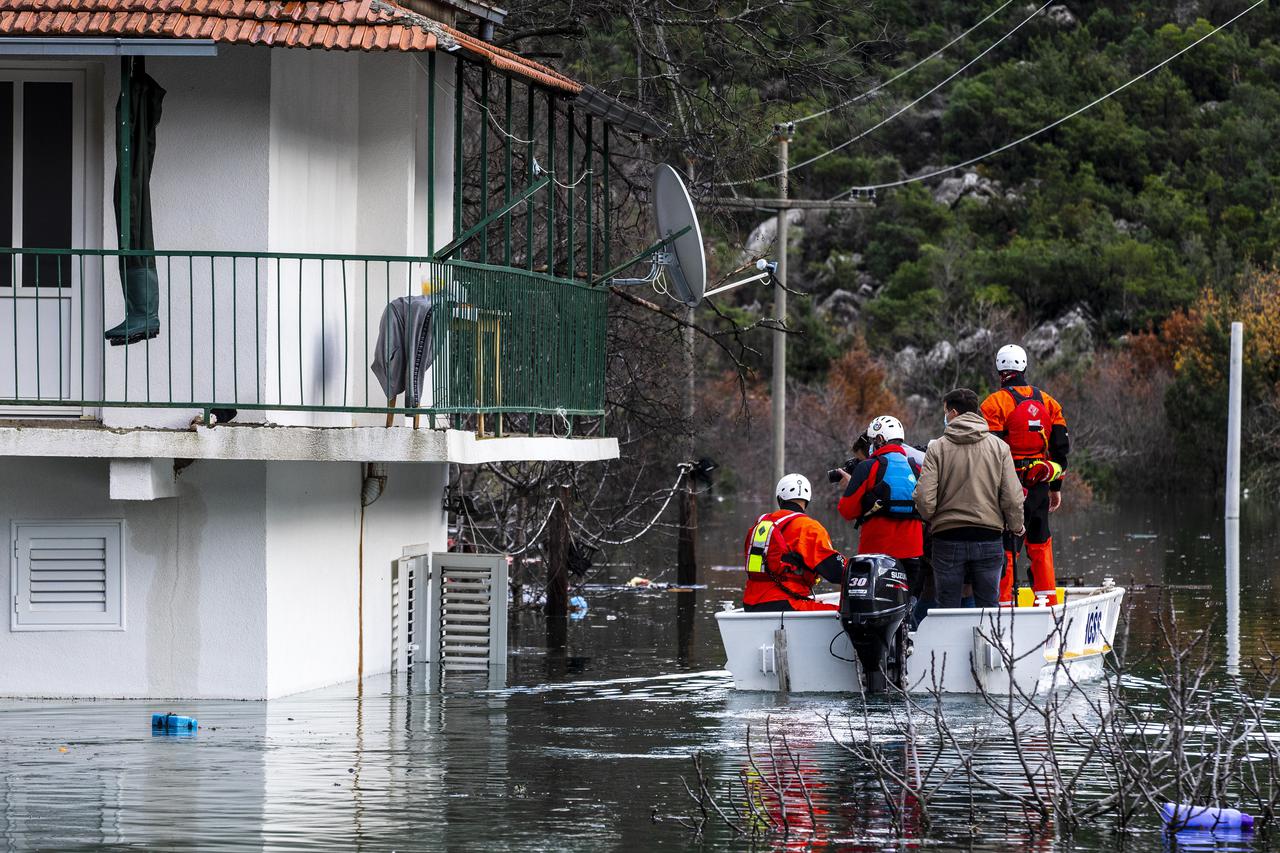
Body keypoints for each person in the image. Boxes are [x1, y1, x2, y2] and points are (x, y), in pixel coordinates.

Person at [914, 388, 1025, 608]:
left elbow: (924, 500)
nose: (945, 417)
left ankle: (947, 643)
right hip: (989, 537)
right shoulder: (1000, 448)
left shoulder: (937, 448)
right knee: (988, 608)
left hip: (947, 538)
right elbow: (1012, 497)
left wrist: (932, 518)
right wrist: (1016, 526)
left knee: (947, 608)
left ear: (953, 413)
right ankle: (988, 643)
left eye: (945, 412)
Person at [980, 344, 1070, 604]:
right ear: (1024, 367)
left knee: (1007, 545)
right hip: (1041, 484)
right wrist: (1055, 487)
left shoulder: (994, 403)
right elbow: (1061, 448)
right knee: (1041, 543)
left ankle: (1003, 605)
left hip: (1009, 486)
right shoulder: (1049, 402)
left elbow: (990, 449)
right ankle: (1048, 605)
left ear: (1000, 369)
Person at [835, 416, 925, 602]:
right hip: (913, 553)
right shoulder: (916, 467)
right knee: (906, 607)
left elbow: (846, 510)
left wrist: (852, 488)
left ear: (880, 440)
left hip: (875, 553)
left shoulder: (868, 467)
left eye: (871, 440)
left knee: (876, 606)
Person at [743, 474, 846, 612]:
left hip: (750, 604)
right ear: (807, 500)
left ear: (779, 499)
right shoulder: (809, 527)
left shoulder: (761, 525)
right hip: (786, 603)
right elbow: (836, 572)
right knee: (846, 611)